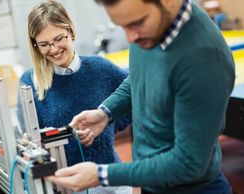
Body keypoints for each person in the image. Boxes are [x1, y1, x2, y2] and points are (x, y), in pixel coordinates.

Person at [47, 0, 235, 193]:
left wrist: (102, 175)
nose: (130, 37)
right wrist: (105, 112)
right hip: (153, 182)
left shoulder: (204, 58)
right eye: (123, 26)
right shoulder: (149, 30)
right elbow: (139, 77)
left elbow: (188, 164)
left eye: (136, 23)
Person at [17, 1, 132, 193]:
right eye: (44, 44)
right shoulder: (30, 82)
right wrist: (65, 136)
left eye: (58, 39)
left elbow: (134, 99)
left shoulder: (100, 68)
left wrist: (107, 123)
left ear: (70, 31)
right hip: (64, 186)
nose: (53, 49)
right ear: (35, 45)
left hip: (108, 182)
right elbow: (31, 140)